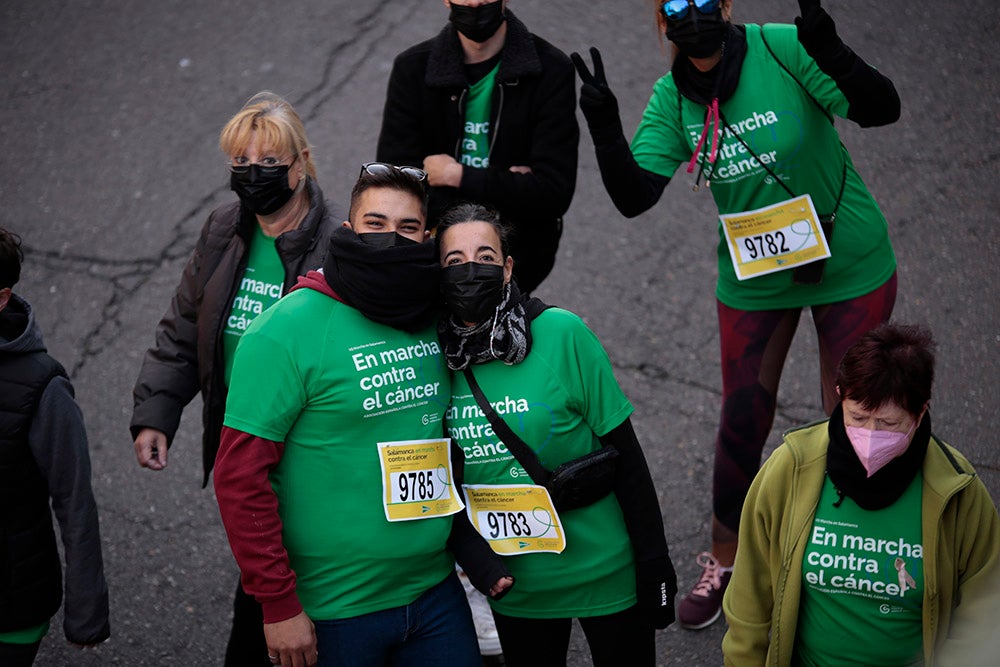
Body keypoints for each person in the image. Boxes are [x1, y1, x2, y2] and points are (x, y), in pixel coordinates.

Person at [572, 0, 901, 628]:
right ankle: (725, 559)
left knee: (857, 415)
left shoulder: (783, 46)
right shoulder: (673, 98)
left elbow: (883, 109)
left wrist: (830, 50)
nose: (691, 13)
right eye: (675, 5)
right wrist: (605, 125)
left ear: (725, 5)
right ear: (662, 18)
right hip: (757, 270)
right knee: (743, 417)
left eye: (703, 0)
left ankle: (855, 555)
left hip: (849, 257)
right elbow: (635, 198)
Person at [214, 164, 514, 667]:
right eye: (375, 225)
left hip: (434, 597)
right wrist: (278, 604)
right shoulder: (282, 333)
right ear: (348, 230)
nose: (391, 240)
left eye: (408, 229)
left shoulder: (432, 320)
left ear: (427, 238)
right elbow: (239, 478)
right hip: (333, 608)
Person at [129, 91, 344, 665]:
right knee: (266, 573)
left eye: (270, 164)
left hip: (309, 452)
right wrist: (157, 411)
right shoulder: (224, 228)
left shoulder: (337, 246)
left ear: (301, 164)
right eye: (241, 164)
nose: (254, 176)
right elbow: (183, 328)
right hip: (245, 443)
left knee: (281, 590)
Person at [436, 203, 677, 667]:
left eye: (485, 258)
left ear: (507, 269)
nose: (471, 270)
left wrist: (654, 562)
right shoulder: (435, 360)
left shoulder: (561, 334)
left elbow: (627, 456)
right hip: (517, 586)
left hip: (606, 573)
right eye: (454, 261)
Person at [722, 323, 1000, 666]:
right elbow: (750, 596)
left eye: (888, 423)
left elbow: (986, 609)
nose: (869, 436)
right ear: (840, 394)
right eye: (858, 416)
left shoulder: (959, 491)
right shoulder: (790, 469)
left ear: (921, 411)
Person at [376, 0, 578, 294]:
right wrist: (509, 186)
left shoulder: (550, 70)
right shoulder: (412, 68)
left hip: (520, 259)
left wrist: (456, 176)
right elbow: (396, 187)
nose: (475, 4)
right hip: (433, 256)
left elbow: (553, 194)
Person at [0, 227, 110, 665]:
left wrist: (86, 613)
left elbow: (74, 498)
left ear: (2, 297)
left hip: (11, 606)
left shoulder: (43, 385)